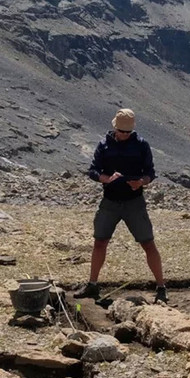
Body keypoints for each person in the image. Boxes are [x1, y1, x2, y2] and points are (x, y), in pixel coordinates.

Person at [75, 108, 167, 303]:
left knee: (148, 243)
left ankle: (161, 287)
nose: (125, 135)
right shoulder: (104, 145)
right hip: (110, 201)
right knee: (100, 241)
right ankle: (92, 285)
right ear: (115, 128)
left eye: (128, 132)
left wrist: (141, 182)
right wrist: (106, 179)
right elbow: (92, 171)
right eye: (122, 131)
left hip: (134, 203)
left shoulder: (141, 145)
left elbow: (150, 172)